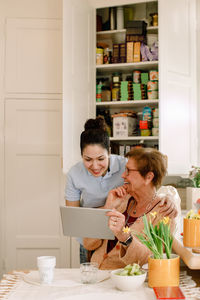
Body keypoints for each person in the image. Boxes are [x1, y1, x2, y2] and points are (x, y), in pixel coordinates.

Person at [65, 118, 178, 263]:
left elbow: (152, 183)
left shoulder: (127, 164)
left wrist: (168, 198)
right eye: (88, 159)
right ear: (81, 156)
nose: (95, 166)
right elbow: (74, 218)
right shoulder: (75, 174)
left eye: (100, 159)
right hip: (90, 235)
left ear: (110, 152)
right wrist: (107, 208)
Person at [83, 147, 181, 270]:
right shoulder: (121, 200)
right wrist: (107, 209)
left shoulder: (164, 213)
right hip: (94, 273)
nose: (123, 175)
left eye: (128, 171)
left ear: (148, 177)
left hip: (125, 282)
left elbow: (152, 260)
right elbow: (88, 244)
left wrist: (126, 238)